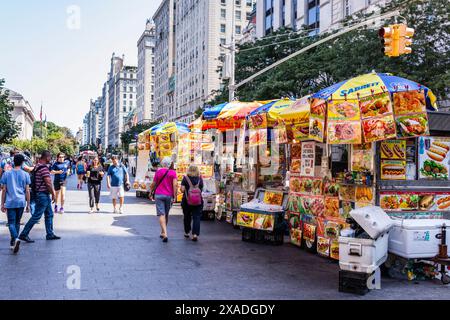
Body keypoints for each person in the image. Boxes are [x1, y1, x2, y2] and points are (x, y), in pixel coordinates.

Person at [19, 150, 61, 243]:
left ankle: (50, 234)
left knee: (49, 214)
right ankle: (24, 234)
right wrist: (53, 194)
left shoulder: (37, 166)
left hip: (40, 193)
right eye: (50, 157)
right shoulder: (44, 168)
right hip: (43, 195)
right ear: (47, 157)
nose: (50, 159)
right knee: (37, 216)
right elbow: (48, 183)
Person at [0, 154, 31, 254]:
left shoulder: (6, 174)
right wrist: (28, 204)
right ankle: (14, 240)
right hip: (21, 201)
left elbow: (4, 190)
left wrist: (2, 203)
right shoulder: (26, 174)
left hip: (10, 201)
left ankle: (15, 239)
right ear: (22, 163)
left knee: (11, 223)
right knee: (17, 222)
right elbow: (27, 191)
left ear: (13, 162)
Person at [150, 157, 177, 243]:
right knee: (166, 214)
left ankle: (164, 232)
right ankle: (163, 232)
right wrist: (175, 196)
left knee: (161, 214)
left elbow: (153, 184)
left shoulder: (158, 172)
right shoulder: (173, 173)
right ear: (170, 164)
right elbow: (175, 185)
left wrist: (151, 192)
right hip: (169, 196)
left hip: (159, 195)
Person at [180, 165, 204, 242]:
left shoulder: (185, 178)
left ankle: (187, 232)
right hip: (198, 201)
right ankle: (195, 234)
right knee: (196, 217)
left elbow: (182, 190)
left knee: (187, 216)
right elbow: (201, 189)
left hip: (187, 201)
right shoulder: (200, 178)